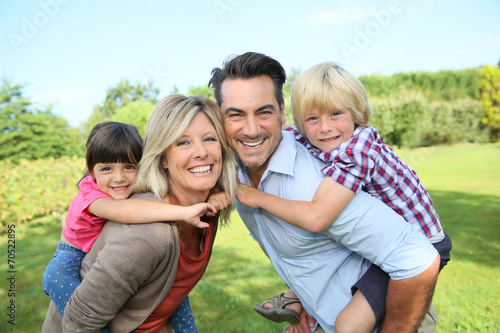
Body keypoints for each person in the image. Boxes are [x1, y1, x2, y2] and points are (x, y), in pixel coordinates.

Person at [209, 52, 440, 333]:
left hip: (391, 313)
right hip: (323, 315)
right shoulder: (237, 169)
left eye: (263, 112)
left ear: (281, 113)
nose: (252, 129)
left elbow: (418, 260)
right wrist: (305, 296)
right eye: (235, 115)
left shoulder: (319, 180)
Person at [41, 95, 237, 332]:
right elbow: (79, 323)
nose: (201, 152)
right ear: (162, 158)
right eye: (183, 142)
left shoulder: (205, 209)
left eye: (209, 139)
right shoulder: (144, 235)